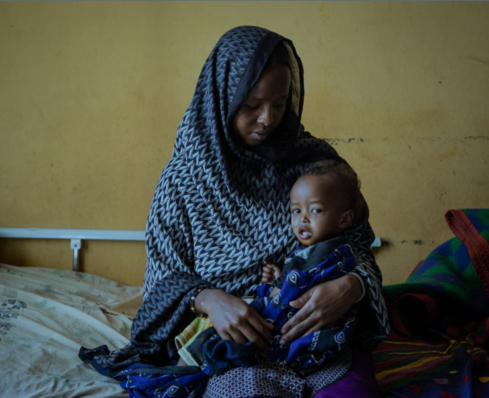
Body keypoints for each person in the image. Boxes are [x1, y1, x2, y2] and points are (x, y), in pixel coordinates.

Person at [79, 26, 390, 398]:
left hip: (318, 335)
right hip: (234, 343)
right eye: (252, 105)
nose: (267, 119)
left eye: (279, 103)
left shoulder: (314, 166)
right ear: (222, 98)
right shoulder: (185, 178)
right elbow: (161, 279)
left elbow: (358, 246)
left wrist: (351, 287)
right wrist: (209, 298)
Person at [174, 160, 364, 380]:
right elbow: (300, 280)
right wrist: (279, 278)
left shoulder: (326, 251)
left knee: (210, 334)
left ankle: (181, 375)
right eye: (296, 210)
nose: (302, 218)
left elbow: (299, 291)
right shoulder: (317, 249)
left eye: (315, 210)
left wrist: (276, 288)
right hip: (233, 304)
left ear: (345, 219)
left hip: (287, 325)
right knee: (210, 323)